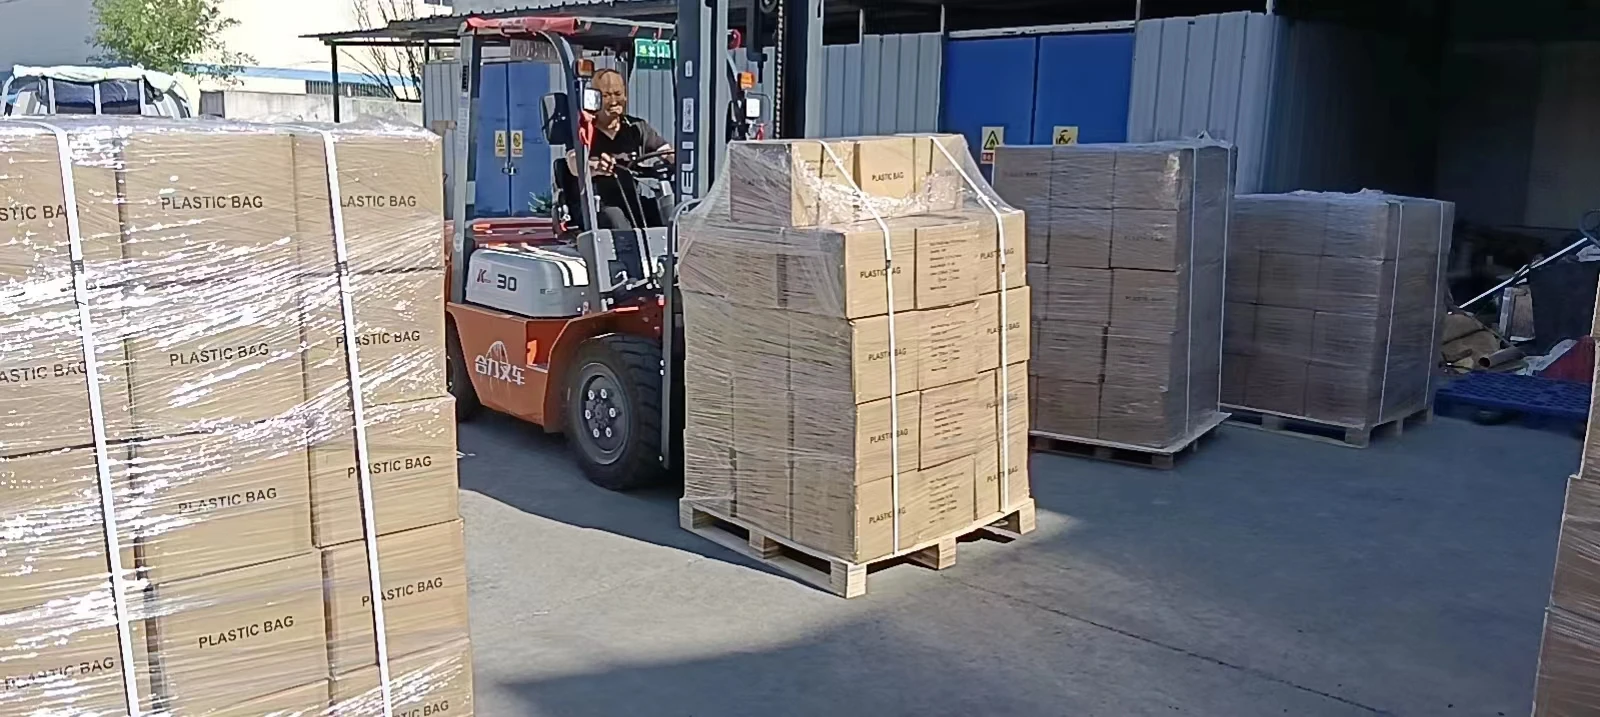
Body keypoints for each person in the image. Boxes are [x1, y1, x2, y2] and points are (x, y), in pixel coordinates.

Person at [565, 68, 675, 230]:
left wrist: (678, 161)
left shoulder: (636, 127)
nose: (613, 101)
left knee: (668, 215)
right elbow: (573, 162)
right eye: (606, 95)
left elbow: (666, 151)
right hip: (597, 204)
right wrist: (596, 167)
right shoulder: (584, 128)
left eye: (618, 94)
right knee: (615, 218)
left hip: (632, 200)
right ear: (594, 98)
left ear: (625, 95)